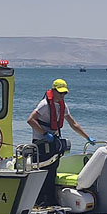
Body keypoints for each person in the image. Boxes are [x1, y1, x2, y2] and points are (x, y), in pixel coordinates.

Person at [27, 78, 95, 206]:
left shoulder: (63, 105)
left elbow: (73, 124)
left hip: (53, 144)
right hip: (41, 144)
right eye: (60, 93)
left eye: (64, 93)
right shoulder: (44, 104)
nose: (62, 95)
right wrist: (44, 133)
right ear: (53, 91)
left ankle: (50, 201)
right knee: (42, 172)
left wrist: (87, 137)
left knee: (52, 172)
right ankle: (39, 201)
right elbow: (30, 120)